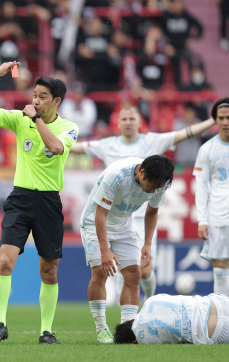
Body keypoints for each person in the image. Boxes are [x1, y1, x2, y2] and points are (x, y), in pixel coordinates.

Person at [70, 106, 216, 304]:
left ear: (140, 122)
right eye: (124, 119)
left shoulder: (153, 141)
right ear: (118, 123)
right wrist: (48, 140)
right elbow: (74, 147)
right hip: (116, 216)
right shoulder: (107, 145)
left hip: (141, 216)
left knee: (144, 272)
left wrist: (213, 120)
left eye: (132, 118)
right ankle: (127, 318)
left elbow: (185, 133)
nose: (128, 122)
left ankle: (149, 299)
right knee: (128, 270)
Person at [0, 62, 79, 345]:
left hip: (49, 201)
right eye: (35, 94)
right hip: (21, 199)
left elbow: (56, 148)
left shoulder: (68, 128)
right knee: (5, 261)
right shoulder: (20, 119)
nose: (35, 100)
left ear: (57, 101)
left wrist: (35, 119)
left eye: (43, 96)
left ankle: (45, 331)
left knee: (49, 270)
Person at [80, 155, 174, 344]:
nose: (154, 190)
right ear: (142, 173)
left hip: (124, 225)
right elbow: (100, 213)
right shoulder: (116, 175)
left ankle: (127, 331)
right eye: (152, 185)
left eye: (159, 186)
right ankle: (101, 330)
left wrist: (147, 243)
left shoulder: (161, 183)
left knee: (133, 274)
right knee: (100, 272)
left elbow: (152, 211)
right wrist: (105, 250)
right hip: (94, 223)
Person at [194, 98, 229, 296]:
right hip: (217, 216)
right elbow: (201, 186)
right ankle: (225, 317)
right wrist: (202, 220)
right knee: (221, 268)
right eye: (221, 118)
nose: (225, 122)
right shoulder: (207, 149)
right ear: (215, 120)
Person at [113, 293, 229, 344]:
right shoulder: (150, 301)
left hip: (213, 331)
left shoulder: (145, 341)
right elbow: (184, 298)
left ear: (134, 341)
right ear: (132, 320)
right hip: (214, 303)